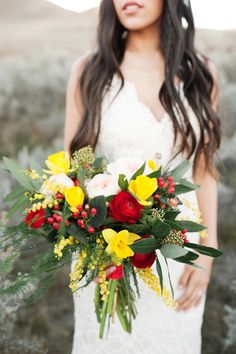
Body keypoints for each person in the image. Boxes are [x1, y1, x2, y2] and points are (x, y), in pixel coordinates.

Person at [64, 1, 221, 353]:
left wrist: (207, 256)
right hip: (109, 259)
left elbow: (204, 170)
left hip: (182, 257)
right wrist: (95, 245)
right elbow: (75, 173)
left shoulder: (202, 74)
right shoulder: (90, 71)